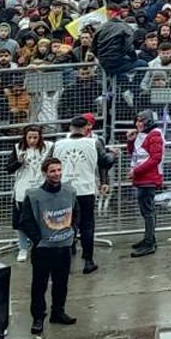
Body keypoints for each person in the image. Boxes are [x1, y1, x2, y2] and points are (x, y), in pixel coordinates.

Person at [18, 156, 78, 336]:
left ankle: (58, 312)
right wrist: (38, 240)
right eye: (52, 171)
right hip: (43, 248)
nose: (57, 174)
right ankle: (38, 317)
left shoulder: (70, 191)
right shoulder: (33, 195)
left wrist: (72, 232)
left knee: (62, 283)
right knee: (39, 284)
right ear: (45, 173)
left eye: (59, 170)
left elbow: (76, 213)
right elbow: (26, 221)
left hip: (64, 245)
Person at [50, 113, 114, 274]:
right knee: (87, 225)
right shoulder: (94, 143)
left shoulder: (58, 144)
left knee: (65, 225)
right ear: (86, 128)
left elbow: (48, 164)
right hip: (85, 189)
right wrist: (114, 155)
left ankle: (64, 258)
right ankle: (88, 260)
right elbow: (105, 162)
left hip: (64, 190)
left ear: (71, 128)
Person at [9, 124, 51, 263]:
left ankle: (41, 245)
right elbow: (9, 168)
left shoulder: (49, 147)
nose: (32, 140)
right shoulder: (18, 148)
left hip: (41, 188)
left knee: (42, 219)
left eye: (35, 137)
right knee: (22, 221)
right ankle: (23, 247)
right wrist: (18, 162)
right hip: (23, 189)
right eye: (30, 137)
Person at [127, 110, 166, 257]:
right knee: (146, 211)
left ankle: (150, 242)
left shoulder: (154, 135)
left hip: (148, 178)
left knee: (148, 212)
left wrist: (136, 171)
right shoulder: (144, 135)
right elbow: (134, 153)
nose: (138, 124)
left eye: (141, 121)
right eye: (136, 121)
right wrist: (131, 140)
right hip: (143, 178)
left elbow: (156, 158)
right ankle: (149, 239)